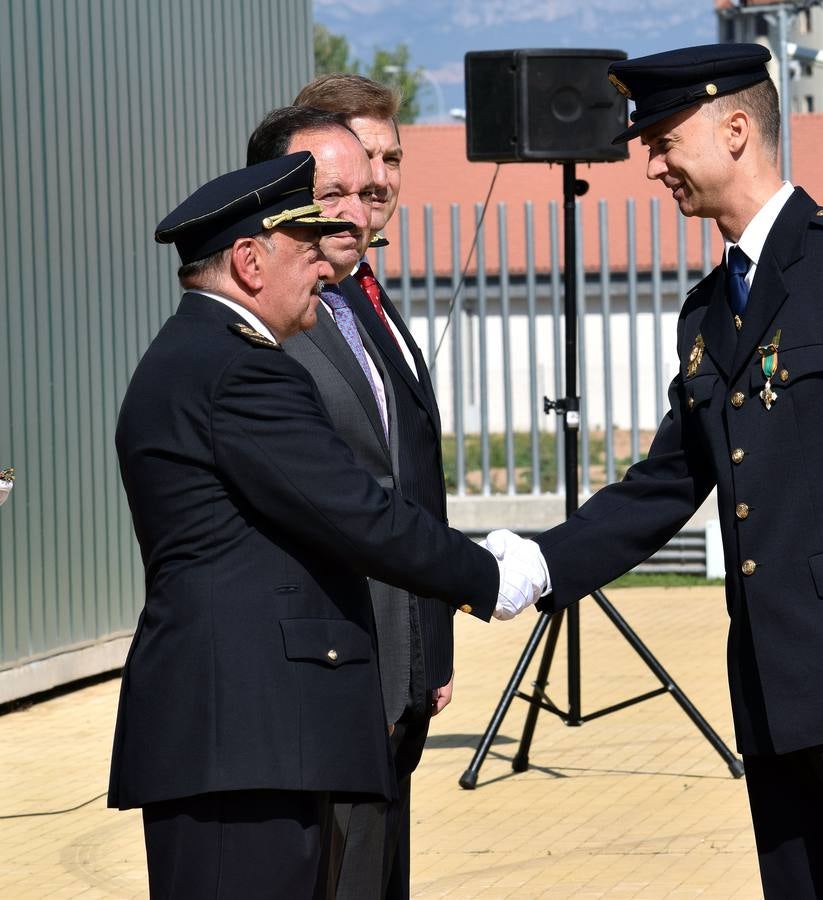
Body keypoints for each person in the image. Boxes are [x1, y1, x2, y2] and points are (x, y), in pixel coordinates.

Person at [488, 44, 823, 899]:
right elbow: (668, 480)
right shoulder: (711, 307)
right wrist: (545, 562)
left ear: (732, 129)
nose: (650, 165)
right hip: (772, 680)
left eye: (662, 140)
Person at [109, 152, 536, 899]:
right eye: (308, 252)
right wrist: (489, 577)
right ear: (249, 260)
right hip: (243, 739)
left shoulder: (202, 355)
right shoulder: (240, 368)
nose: (327, 271)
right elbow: (355, 514)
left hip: (248, 736)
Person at [280, 73, 453, 900]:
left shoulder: (361, 297)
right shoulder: (290, 309)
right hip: (340, 660)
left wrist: (431, 646)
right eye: (351, 168)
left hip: (400, 661)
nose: (377, 181)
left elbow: (411, 472)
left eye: (389, 158)